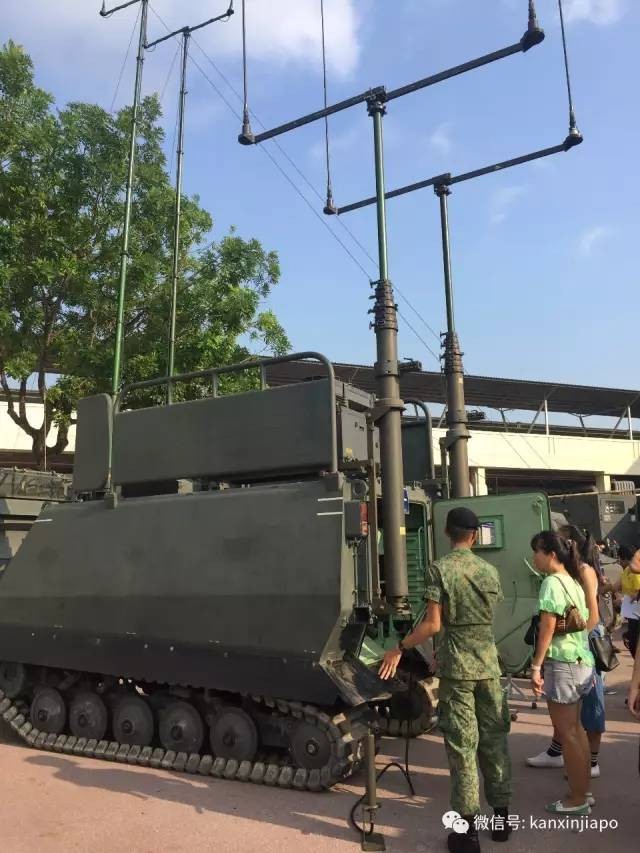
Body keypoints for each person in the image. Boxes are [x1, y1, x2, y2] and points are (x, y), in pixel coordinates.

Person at [379, 507, 510, 853]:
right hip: (488, 665)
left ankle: (467, 833)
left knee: (463, 747)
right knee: (494, 740)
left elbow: (433, 624)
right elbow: (482, 620)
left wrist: (399, 648)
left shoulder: (440, 569)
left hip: (458, 671)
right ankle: (501, 820)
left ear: (448, 533)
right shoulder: (490, 570)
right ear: (475, 535)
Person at [527, 527, 604, 776]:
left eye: (536, 552)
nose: (534, 558)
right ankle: (575, 774)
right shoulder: (570, 577)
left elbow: (553, 627)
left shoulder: (563, 578)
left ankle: (583, 781)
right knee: (572, 726)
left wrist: (537, 665)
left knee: (575, 725)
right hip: (578, 655)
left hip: (571, 656)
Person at [616, 545, 640, 657]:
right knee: (633, 642)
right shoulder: (626, 571)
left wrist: (623, 599)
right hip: (631, 614)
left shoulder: (635, 572)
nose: (619, 562)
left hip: (636, 613)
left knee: (634, 643)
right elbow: (616, 586)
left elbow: (636, 593)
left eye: (620, 559)